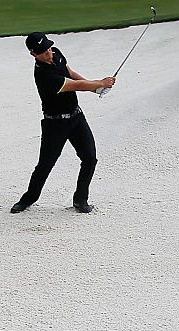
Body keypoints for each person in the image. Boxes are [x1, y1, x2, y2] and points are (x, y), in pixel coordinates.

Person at [11, 32, 116, 214]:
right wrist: (99, 83)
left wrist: (96, 88)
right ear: (33, 54)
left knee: (90, 158)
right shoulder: (43, 75)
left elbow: (71, 74)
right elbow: (73, 85)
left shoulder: (56, 53)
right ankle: (29, 198)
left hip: (76, 118)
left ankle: (80, 200)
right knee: (45, 164)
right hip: (55, 125)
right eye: (44, 52)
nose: (49, 53)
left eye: (49, 48)